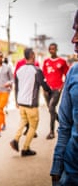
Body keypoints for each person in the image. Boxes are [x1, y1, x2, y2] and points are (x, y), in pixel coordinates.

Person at [50, 10, 78, 186]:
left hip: (57, 90)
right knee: (53, 112)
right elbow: (66, 126)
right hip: (72, 169)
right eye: (74, 30)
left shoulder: (62, 62)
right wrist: (57, 165)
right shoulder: (74, 72)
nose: (74, 39)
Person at [10, 48, 51, 156]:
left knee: (23, 121)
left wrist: (16, 101)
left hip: (21, 103)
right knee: (33, 126)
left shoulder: (19, 70)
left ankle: (15, 139)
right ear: (32, 55)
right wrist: (51, 92)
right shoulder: (36, 70)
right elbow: (44, 85)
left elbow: (16, 88)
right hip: (31, 104)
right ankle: (25, 148)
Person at [42, 42, 69, 139]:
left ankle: (52, 132)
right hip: (47, 90)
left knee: (51, 107)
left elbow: (67, 75)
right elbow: (43, 75)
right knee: (51, 110)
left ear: (56, 49)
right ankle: (63, 123)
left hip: (57, 89)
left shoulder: (62, 61)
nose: (51, 50)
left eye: (53, 49)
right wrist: (44, 88)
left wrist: (62, 86)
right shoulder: (46, 62)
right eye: (50, 49)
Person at [14, 54, 40, 137]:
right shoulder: (21, 63)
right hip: (28, 91)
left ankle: (27, 131)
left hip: (26, 91)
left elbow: (15, 77)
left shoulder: (35, 63)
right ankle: (29, 130)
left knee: (25, 115)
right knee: (27, 114)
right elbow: (16, 76)